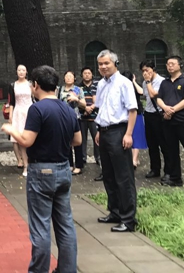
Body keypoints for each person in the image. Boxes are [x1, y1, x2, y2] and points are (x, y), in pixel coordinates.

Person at [1, 65, 81, 273]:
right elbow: (78, 140)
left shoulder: (37, 109)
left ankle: (39, 270)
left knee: (40, 226)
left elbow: (27, 140)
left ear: (35, 85)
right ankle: (67, 269)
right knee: (65, 224)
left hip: (41, 172)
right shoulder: (67, 108)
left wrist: (11, 130)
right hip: (64, 169)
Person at [94, 50, 138, 233]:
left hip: (119, 131)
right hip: (104, 132)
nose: (103, 67)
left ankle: (128, 219)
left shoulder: (124, 83)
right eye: (100, 64)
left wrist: (128, 134)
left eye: (107, 63)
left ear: (115, 63)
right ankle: (115, 211)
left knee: (123, 176)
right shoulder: (101, 84)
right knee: (109, 175)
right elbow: (101, 108)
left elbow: (132, 110)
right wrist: (99, 130)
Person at [156, 56, 184, 186]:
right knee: (172, 150)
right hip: (168, 121)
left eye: (172, 64)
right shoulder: (165, 82)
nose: (170, 66)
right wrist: (165, 108)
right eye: (168, 64)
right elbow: (159, 98)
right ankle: (175, 178)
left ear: (179, 65)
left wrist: (172, 110)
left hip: (183, 120)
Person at [139, 60, 168, 180]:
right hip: (148, 114)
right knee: (151, 144)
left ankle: (168, 171)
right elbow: (145, 96)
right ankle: (155, 169)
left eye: (147, 70)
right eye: (143, 71)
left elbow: (153, 95)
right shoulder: (144, 82)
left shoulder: (161, 81)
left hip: (159, 114)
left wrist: (148, 81)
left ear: (153, 69)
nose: (145, 73)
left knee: (163, 143)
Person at [58, 71, 86, 175]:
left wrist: (76, 99)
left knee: (77, 142)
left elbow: (84, 105)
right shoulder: (59, 89)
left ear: (74, 78)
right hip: (63, 119)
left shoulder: (78, 89)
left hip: (75, 118)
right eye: (67, 76)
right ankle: (69, 164)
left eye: (71, 76)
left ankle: (79, 165)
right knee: (66, 142)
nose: (69, 78)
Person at [9, 65, 32, 177]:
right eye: (19, 70)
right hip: (18, 112)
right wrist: (10, 115)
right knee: (21, 139)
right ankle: (25, 165)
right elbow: (12, 102)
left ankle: (33, 163)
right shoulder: (13, 85)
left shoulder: (30, 84)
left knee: (31, 137)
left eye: (23, 70)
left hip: (30, 110)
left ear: (26, 72)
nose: (21, 72)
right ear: (16, 72)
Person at [78, 67, 101, 178]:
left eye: (89, 73)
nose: (87, 75)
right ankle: (83, 157)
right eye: (85, 73)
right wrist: (85, 108)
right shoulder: (78, 87)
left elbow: (99, 100)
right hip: (82, 116)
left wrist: (91, 108)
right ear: (82, 75)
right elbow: (77, 100)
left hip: (94, 116)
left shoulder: (97, 86)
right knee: (82, 139)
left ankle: (98, 157)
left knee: (97, 138)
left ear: (92, 75)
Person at [122, 71, 147, 169]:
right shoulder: (121, 87)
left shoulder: (135, 86)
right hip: (125, 114)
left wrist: (134, 82)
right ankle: (131, 158)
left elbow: (142, 92)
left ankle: (134, 159)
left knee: (136, 136)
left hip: (137, 113)